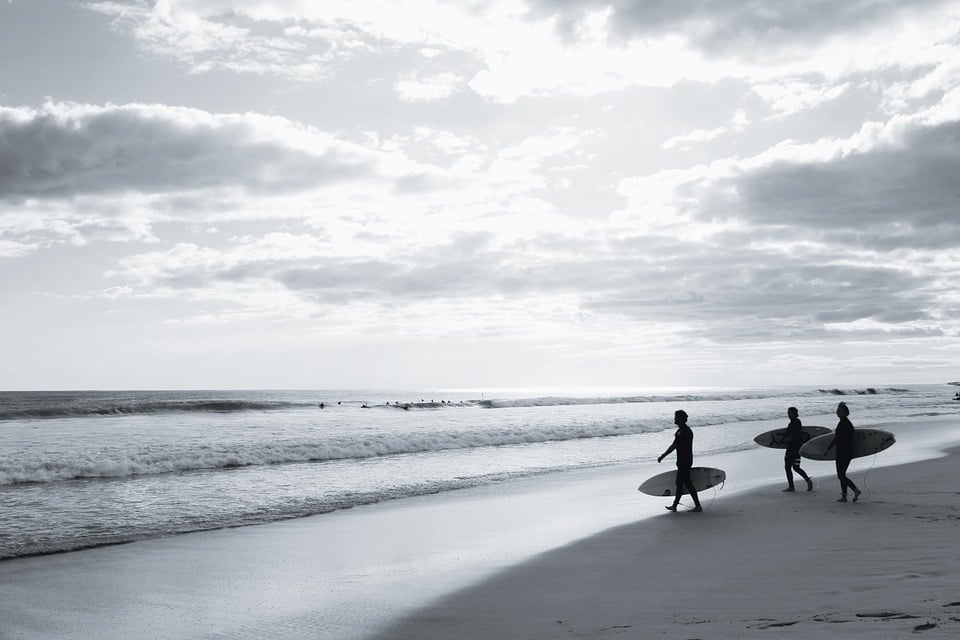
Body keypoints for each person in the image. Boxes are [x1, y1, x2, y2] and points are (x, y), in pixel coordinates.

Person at [657, 409, 703, 512]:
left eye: (676, 417)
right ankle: (676, 505)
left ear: (680, 419)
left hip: (684, 461)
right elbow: (676, 445)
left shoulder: (683, 432)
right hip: (685, 460)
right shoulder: (684, 430)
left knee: (685, 483)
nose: (674, 419)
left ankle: (695, 506)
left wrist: (663, 455)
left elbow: (674, 446)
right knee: (681, 483)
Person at [826, 402, 861, 503]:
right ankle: (844, 496)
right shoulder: (844, 422)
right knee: (842, 475)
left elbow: (838, 438)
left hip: (843, 452)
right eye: (837, 410)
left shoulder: (844, 423)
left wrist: (829, 448)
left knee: (841, 475)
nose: (837, 412)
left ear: (846, 413)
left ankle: (855, 490)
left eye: (840, 411)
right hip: (845, 451)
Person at [782, 407, 813, 492]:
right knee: (796, 467)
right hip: (798, 448)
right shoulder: (796, 422)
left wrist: (786, 440)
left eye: (790, 413)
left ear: (795, 413)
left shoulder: (794, 423)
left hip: (792, 448)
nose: (789, 414)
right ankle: (808, 481)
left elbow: (794, 436)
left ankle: (791, 487)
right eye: (788, 413)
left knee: (788, 467)